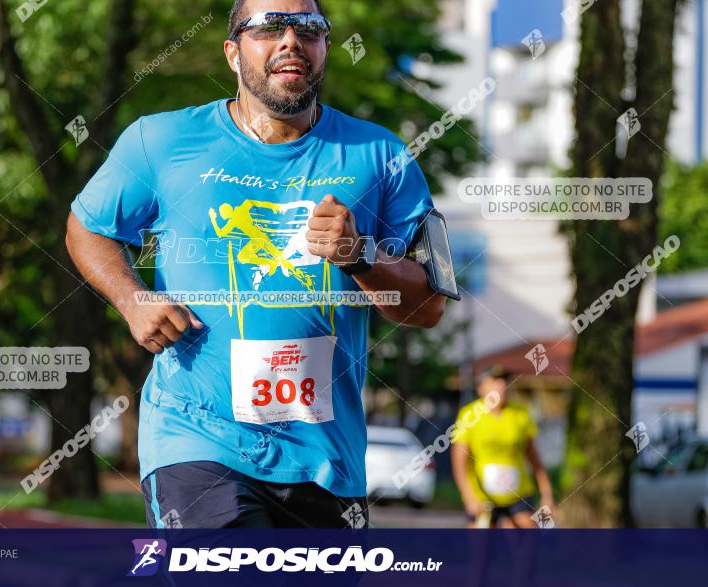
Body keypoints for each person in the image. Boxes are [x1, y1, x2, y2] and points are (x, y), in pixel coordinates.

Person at [66, 0, 449, 528]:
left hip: (326, 462)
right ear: (232, 52)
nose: (291, 40)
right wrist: (132, 299)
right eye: (269, 27)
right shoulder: (162, 141)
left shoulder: (380, 156)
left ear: (325, 49)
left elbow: (427, 307)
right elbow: (88, 227)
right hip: (197, 440)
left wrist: (361, 255)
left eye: (309, 29)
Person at [451, 366, 555, 528]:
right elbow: (459, 461)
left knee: (527, 537)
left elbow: (534, 458)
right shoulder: (469, 414)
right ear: (481, 388)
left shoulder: (520, 414)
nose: (501, 386)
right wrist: (469, 497)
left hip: (517, 494)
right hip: (483, 496)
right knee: (481, 549)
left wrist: (546, 494)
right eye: (494, 382)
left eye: (503, 381)